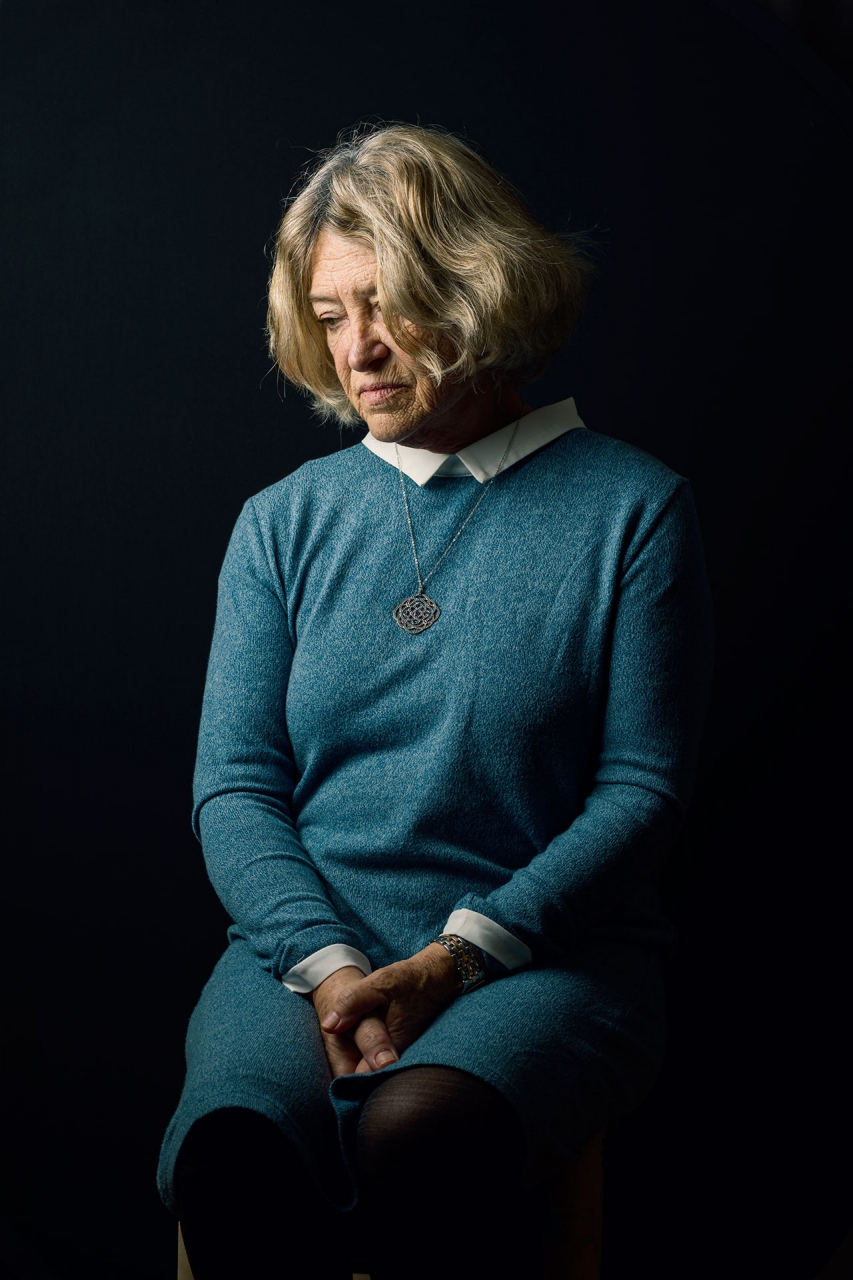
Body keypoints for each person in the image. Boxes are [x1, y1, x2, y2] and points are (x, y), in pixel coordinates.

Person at [157, 121, 714, 1280]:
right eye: (328, 315)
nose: (355, 348)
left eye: (388, 306)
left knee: (420, 1137)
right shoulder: (281, 522)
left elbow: (643, 788)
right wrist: (328, 963)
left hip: (549, 953)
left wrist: (456, 960)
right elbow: (234, 786)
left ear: (476, 287)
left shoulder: (634, 509)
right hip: (301, 948)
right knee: (236, 1151)